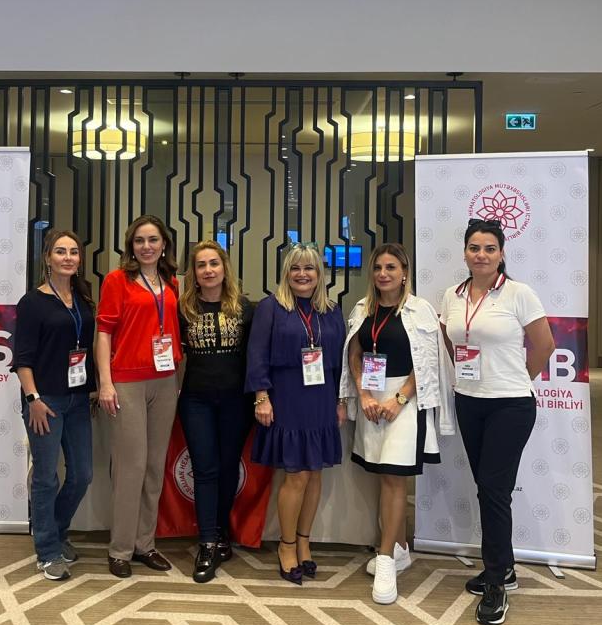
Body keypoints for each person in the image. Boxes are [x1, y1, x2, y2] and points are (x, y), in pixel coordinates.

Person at [440, 218, 555, 625]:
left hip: (510, 405)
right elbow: (450, 338)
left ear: (502, 254)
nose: (482, 255)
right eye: (474, 247)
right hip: (469, 402)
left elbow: (545, 345)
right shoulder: (452, 295)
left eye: (490, 248)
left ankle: (495, 583)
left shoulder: (519, 293)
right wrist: (467, 377)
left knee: (493, 490)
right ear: (465, 253)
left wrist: (517, 380)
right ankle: (502, 567)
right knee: (487, 488)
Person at [339, 242, 454, 605]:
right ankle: (400, 547)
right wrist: (364, 393)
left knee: (393, 476)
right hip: (373, 400)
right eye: (378, 268)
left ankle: (386, 557)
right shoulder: (363, 308)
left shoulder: (420, 310)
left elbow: (429, 362)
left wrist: (400, 399)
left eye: (391, 267)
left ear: (405, 273)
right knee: (381, 475)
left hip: (405, 402)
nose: (383, 274)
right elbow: (355, 353)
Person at [246, 243, 346, 585]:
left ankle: (304, 542)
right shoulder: (271, 308)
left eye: (309, 268)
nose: (303, 274)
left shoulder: (331, 310)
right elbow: (257, 354)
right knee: (297, 476)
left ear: (320, 273)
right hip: (287, 398)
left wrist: (340, 401)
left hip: (321, 399)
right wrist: (261, 397)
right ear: (286, 273)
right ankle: (286, 545)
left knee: (315, 474)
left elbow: (339, 361)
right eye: (295, 268)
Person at [95, 214, 183, 578]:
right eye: (139, 241)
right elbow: (104, 333)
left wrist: (178, 379)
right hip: (127, 383)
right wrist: (105, 382)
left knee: (153, 466)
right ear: (131, 246)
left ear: (164, 245)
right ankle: (120, 549)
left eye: (153, 240)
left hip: (165, 382)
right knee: (130, 467)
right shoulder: (118, 280)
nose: (146, 247)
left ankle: (145, 544)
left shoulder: (172, 282)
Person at [12, 229, 96, 581]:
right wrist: (32, 399)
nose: (68, 257)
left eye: (73, 252)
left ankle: (56, 531)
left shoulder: (83, 297)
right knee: (46, 477)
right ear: (47, 257)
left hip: (78, 398)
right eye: (60, 251)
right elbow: (22, 358)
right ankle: (47, 551)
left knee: (82, 474)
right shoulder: (32, 302)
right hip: (45, 400)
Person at [178, 240, 255, 583]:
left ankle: (222, 531)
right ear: (193, 273)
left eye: (214, 263)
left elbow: (256, 358)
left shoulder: (245, 308)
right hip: (196, 401)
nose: (208, 270)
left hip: (236, 401)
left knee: (226, 468)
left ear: (225, 268)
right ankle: (207, 542)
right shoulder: (183, 309)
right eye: (201, 265)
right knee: (205, 470)